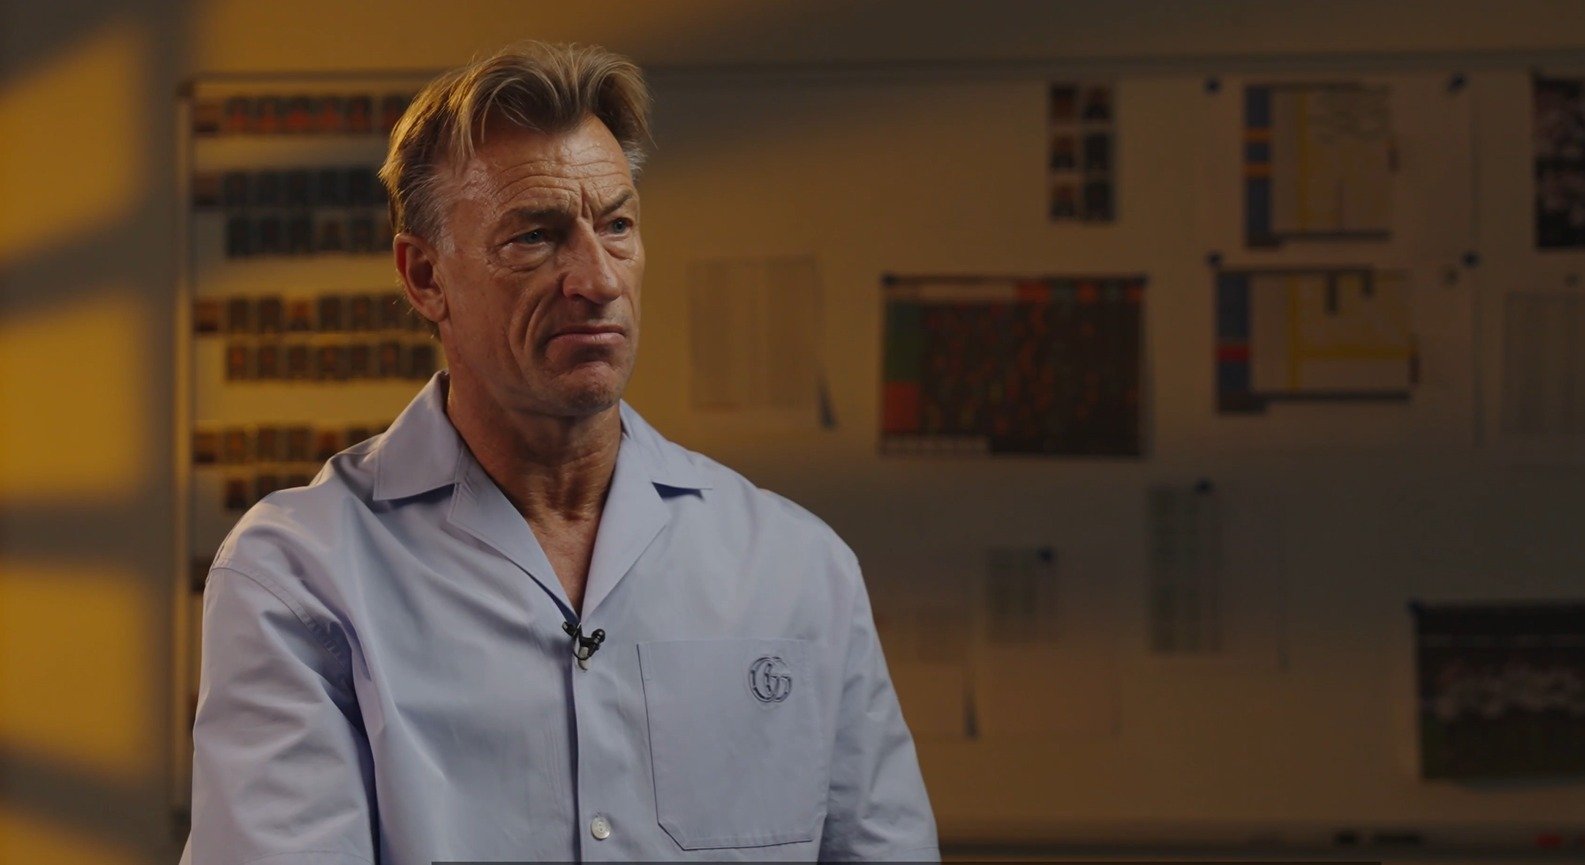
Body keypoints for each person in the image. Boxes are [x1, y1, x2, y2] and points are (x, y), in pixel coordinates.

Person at [181, 41, 938, 864]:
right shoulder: (300, 576)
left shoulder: (796, 567)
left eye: (616, 225)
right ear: (425, 276)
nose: (597, 279)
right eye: (536, 236)